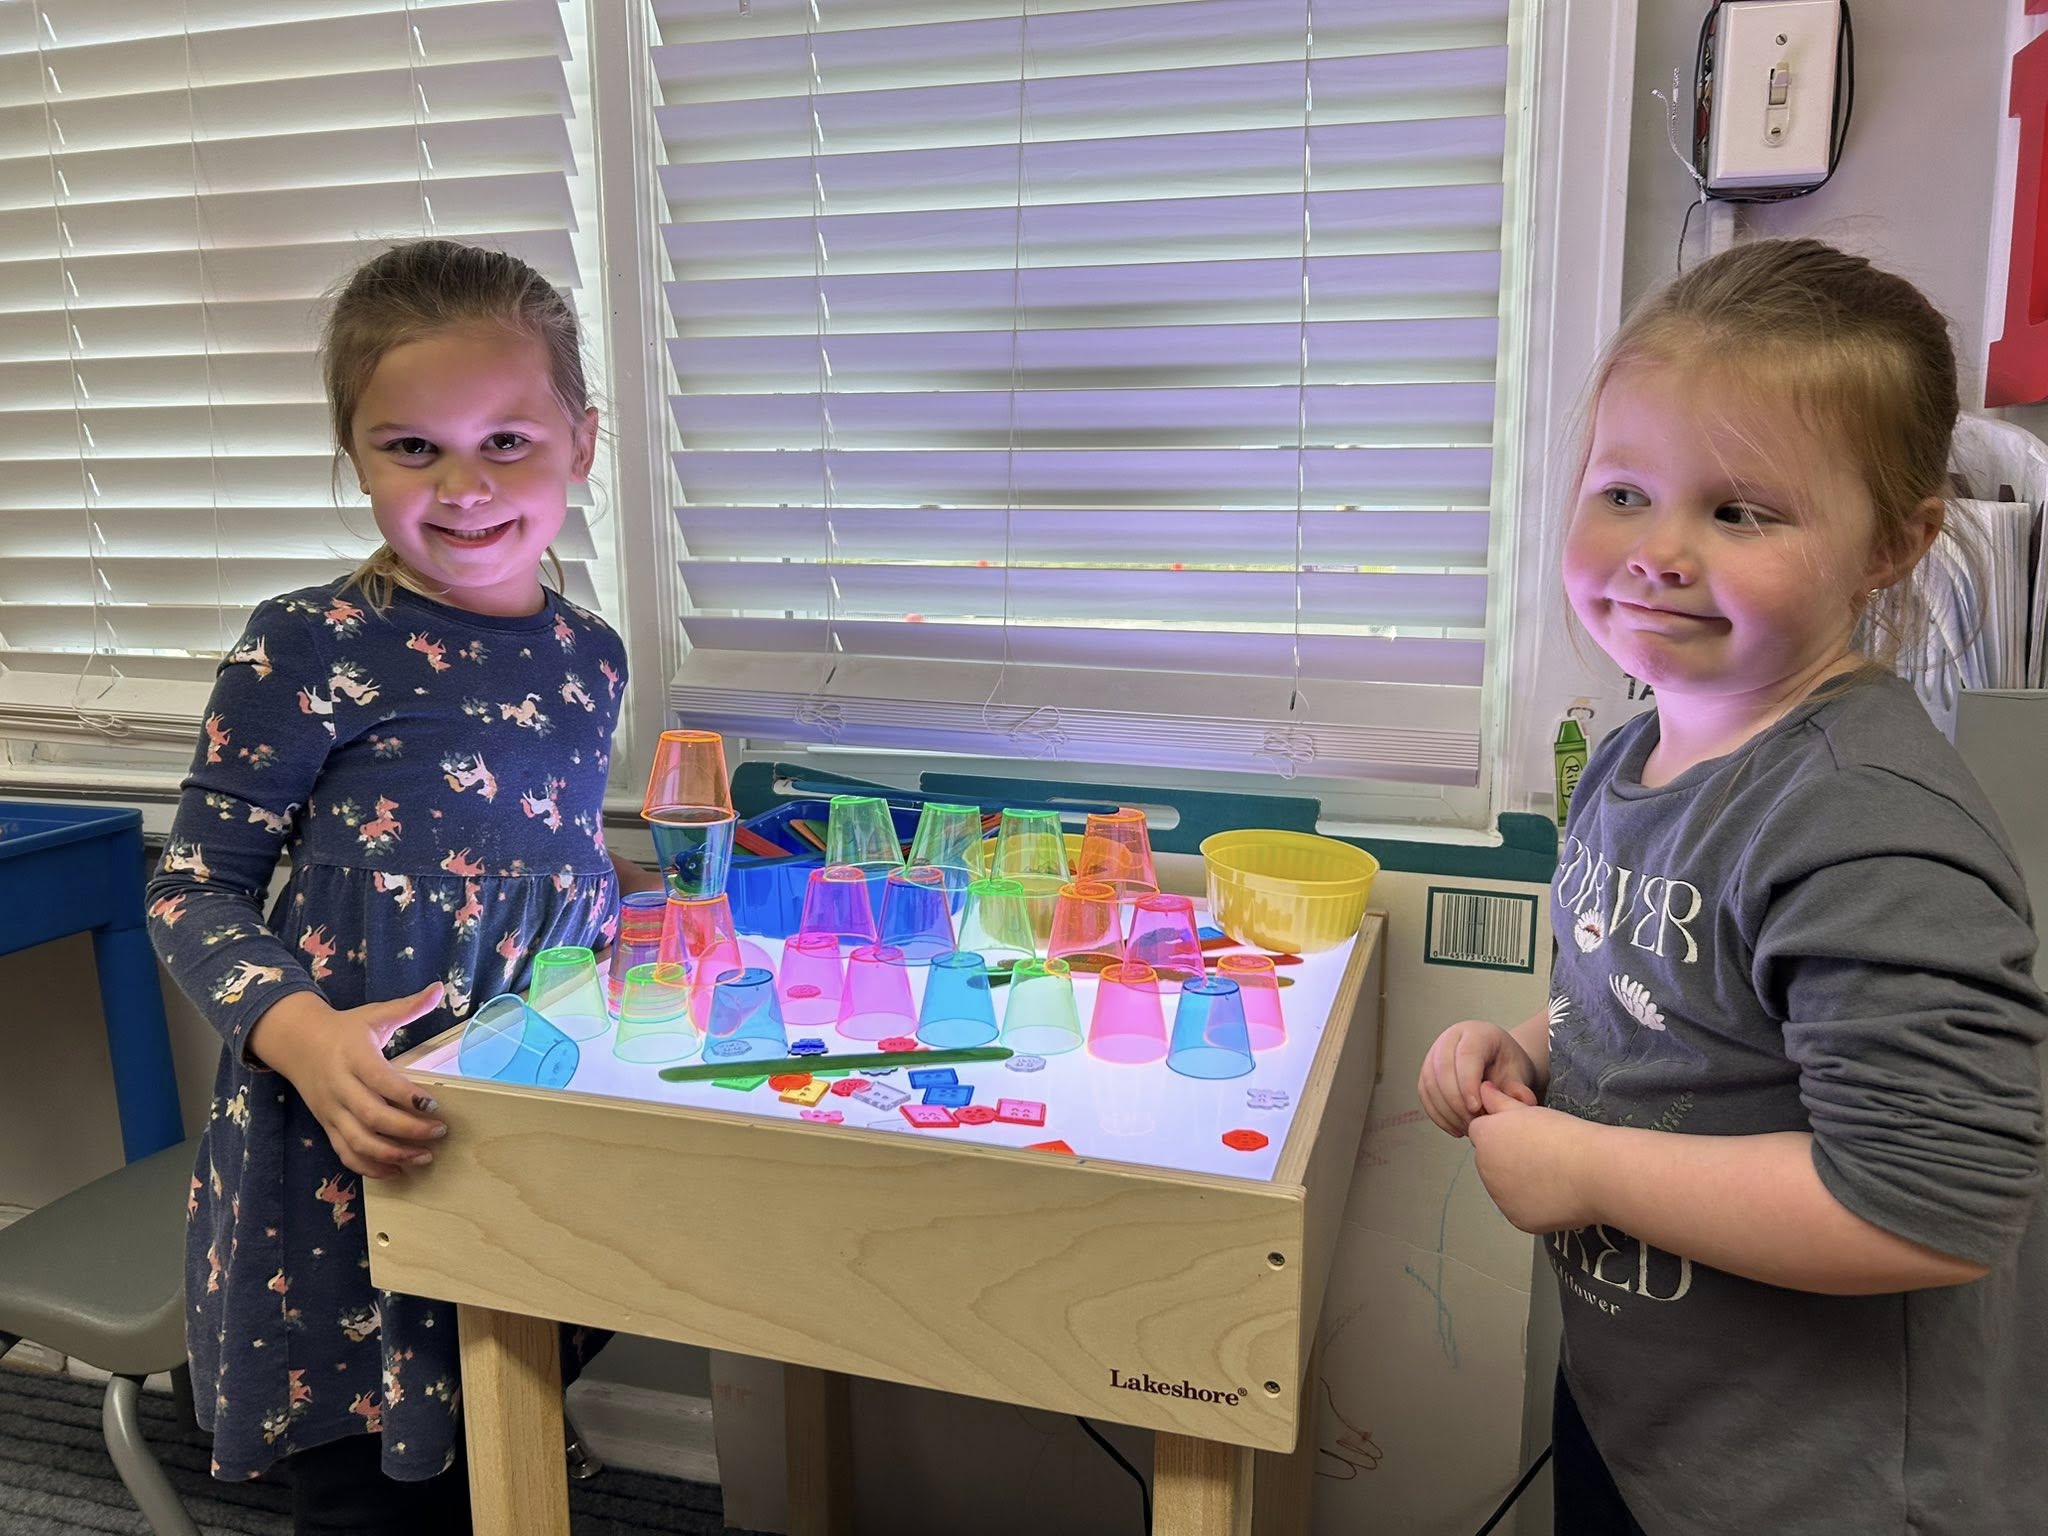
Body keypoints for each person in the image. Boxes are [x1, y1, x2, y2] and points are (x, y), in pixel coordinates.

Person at [1418, 239, 2047, 1535]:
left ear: (1893, 544)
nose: (1658, 552)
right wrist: (1529, 1050)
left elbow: (1930, 1210)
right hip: (1647, 1428)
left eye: (1739, 511)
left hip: (1823, 1490)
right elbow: (1655, 997)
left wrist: (1585, 1172)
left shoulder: (1864, 818)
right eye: (1625, 491)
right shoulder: (1643, 747)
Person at [148, 239, 661, 1533]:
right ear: (356, 452)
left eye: (507, 441)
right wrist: (306, 1035)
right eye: (411, 448)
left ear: (582, 443)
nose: (465, 488)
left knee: (512, 1421)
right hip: (350, 1141)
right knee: (376, 1489)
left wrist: (641, 929)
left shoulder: (588, 659)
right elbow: (192, 890)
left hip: (529, 1112)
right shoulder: (310, 647)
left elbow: (547, 867)